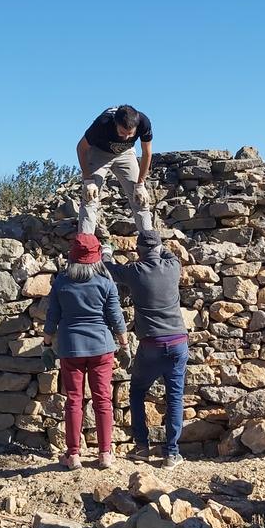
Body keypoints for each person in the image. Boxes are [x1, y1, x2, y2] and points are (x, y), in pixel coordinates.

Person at [101, 231, 188, 468]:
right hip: (178, 342)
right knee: (175, 397)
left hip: (151, 344)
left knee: (137, 391)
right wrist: (159, 246)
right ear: (159, 249)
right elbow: (168, 253)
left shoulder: (134, 272)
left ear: (139, 251)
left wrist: (107, 250)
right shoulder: (173, 266)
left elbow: (108, 266)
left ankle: (142, 447)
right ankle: (171, 454)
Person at [43, 233, 128, 470]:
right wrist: (125, 345)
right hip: (102, 347)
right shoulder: (105, 282)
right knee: (103, 399)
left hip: (71, 347)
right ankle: (105, 454)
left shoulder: (62, 282)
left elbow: (52, 317)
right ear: (96, 257)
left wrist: (46, 345)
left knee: (74, 400)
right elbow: (116, 318)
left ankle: (73, 455)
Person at [77, 105, 155, 235]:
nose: (125, 138)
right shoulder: (102, 123)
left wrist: (140, 183)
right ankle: (85, 246)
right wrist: (87, 179)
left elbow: (147, 153)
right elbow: (81, 148)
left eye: (130, 134)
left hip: (126, 154)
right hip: (99, 153)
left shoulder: (144, 122)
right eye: (122, 133)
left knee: (140, 199)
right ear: (115, 124)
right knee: (90, 196)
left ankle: (150, 244)